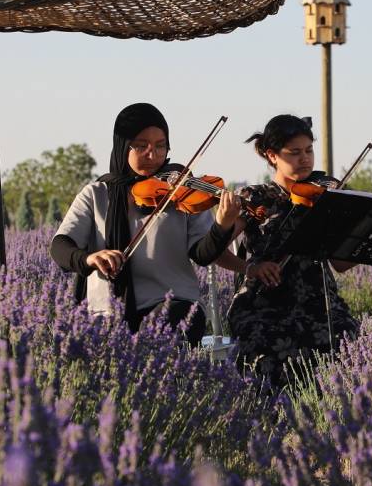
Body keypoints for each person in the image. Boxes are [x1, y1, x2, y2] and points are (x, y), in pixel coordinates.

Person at [49, 102, 241, 344]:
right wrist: (89, 258)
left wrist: (222, 225)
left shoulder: (182, 192)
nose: (153, 155)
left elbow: (203, 254)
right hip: (108, 312)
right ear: (122, 146)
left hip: (174, 303)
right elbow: (60, 246)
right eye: (141, 146)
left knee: (172, 322)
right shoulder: (96, 195)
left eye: (161, 146)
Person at [221, 115, 360, 387]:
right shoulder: (254, 198)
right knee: (270, 350)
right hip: (262, 302)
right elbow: (215, 252)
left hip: (317, 298)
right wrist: (250, 268)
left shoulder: (324, 196)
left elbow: (340, 264)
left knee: (348, 342)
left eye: (309, 150)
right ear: (272, 155)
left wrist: (361, 241)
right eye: (295, 152)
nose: (305, 159)